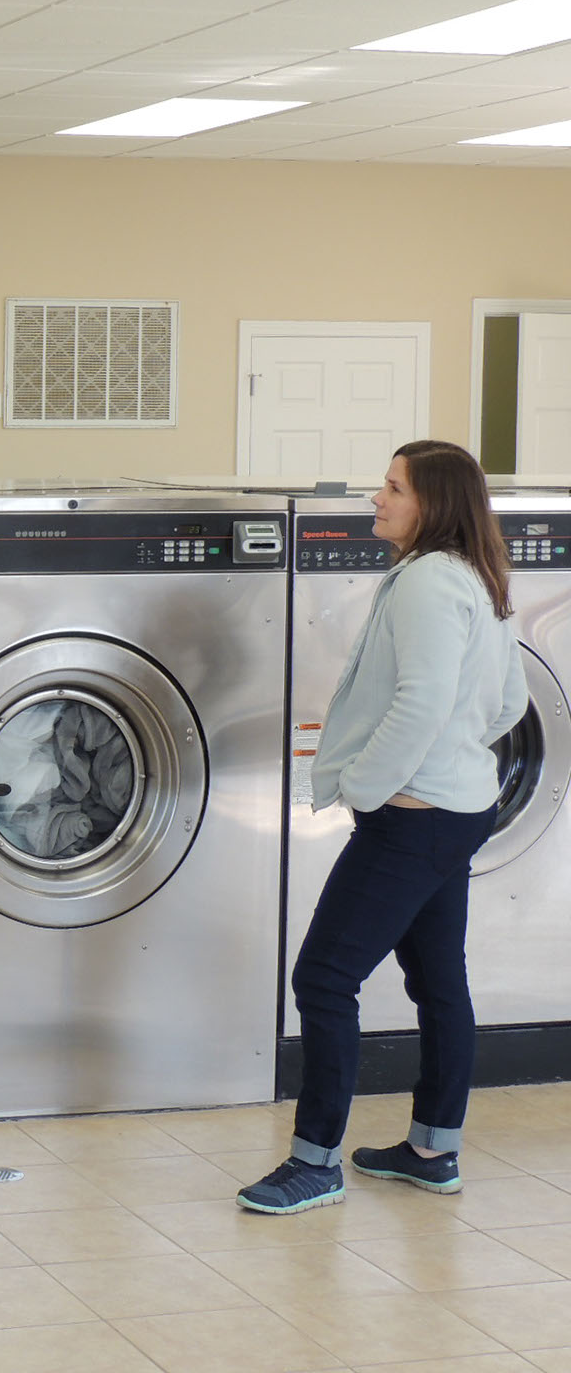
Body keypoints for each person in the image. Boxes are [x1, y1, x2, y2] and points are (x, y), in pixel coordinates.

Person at [237, 440, 525, 1215]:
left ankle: (314, 1164)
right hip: (461, 808)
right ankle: (433, 1149)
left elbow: (421, 702)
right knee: (438, 982)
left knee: (324, 979)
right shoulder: (480, 574)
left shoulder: (428, 582)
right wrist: (451, 758)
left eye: (393, 487)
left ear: (431, 503)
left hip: (412, 820)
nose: (377, 497)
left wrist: (366, 784)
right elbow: (510, 704)